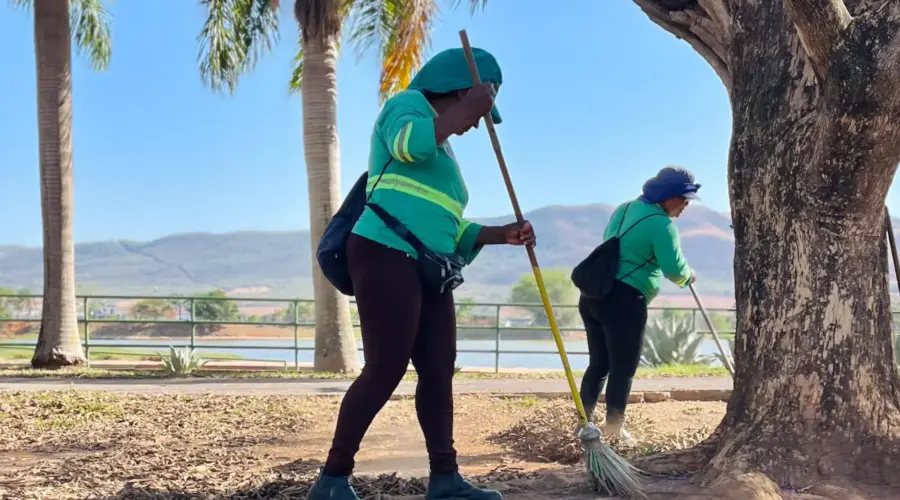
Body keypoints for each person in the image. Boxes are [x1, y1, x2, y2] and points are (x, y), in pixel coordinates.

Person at [306, 47, 536, 500]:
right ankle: (332, 480)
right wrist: (465, 110)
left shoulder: (445, 151)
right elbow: (406, 144)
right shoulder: (405, 106)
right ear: (458, 90)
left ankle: (445, 479)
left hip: (427, 267)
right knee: (385, 368)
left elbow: (446, 225)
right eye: (477, 111)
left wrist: (501, 234)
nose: (475, 123)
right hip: (384, 251)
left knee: (438, 369)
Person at [578, 166, 698, 443]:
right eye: (684, 199)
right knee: (623, 366)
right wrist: (688, 276)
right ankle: (615, 429)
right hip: (625, 300)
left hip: (594, 295)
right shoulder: (662, 225)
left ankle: (584, 423)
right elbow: (674, 268)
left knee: (599, 363)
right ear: (668, 196)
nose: (685, 206)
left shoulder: (623, 208)